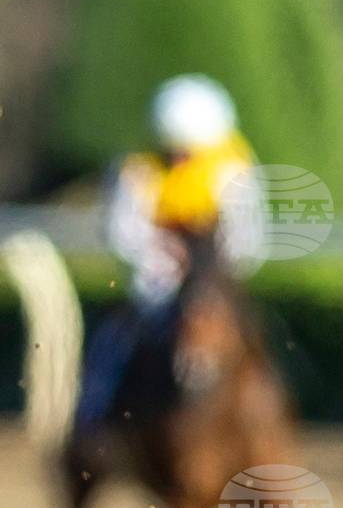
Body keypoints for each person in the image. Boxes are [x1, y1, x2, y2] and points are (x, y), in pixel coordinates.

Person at [76, 75, 264, 428]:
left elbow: (247, 239)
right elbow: (121, 232)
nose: (179, 157)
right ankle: (93, 410)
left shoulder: (233, 169)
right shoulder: (138, 169)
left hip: (213, 279)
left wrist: (209, 264)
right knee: (115, 339)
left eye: (188, 150)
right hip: (158, 280)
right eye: (172, 147)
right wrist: (160, 252)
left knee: (256, 336)